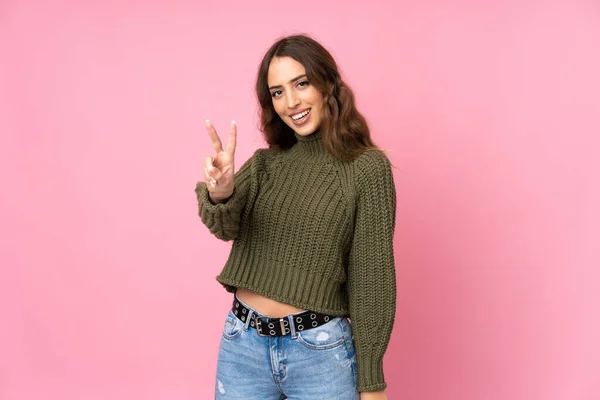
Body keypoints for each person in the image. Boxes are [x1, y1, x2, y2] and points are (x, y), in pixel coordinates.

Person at [195, 34, 397, 400]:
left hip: (320, 354)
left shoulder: (367, 169)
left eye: (301, 83)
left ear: (326, 83)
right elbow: (224, 226)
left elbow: (372, 281)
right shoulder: (265, 165)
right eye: (277, 92)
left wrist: (372, 383)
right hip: (243, 345)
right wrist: (221, 191)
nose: (291, 102)